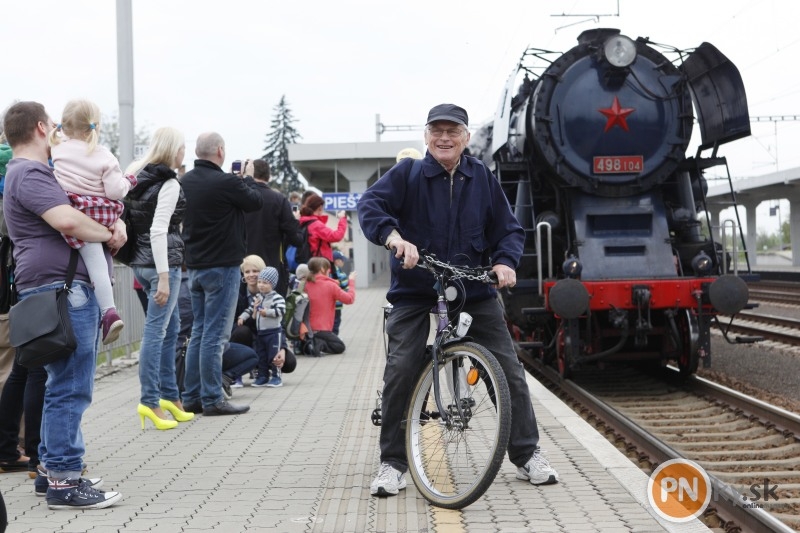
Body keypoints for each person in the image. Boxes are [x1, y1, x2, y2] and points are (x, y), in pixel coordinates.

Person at [357, 103, 559, 497]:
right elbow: (370, 205)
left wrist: (505, 262)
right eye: (437, 131)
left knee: (508, 369)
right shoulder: (408, 174)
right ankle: (393, 463)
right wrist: (394, 238)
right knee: (401, 367)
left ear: (465, 138)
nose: (444, 138)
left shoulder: (481, 176)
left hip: (472, 288)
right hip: (415, 289)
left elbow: (508, 229)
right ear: (426, 136)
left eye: (453, 131)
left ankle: (527, 453)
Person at [3, 101, 123, 508]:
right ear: (41, 127)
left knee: (61, 383)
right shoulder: (30, 172)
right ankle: (65, 482)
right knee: (70, 386)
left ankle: (52, 472)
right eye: (52, 124)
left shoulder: (35, 172)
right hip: (63, 288)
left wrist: (113, 223)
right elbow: (68, 220)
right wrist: (109, 233)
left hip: (60, 286)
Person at [180, 131, 262, 416]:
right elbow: (254, 202)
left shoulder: (184, 182)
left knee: (199, 333)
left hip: (195, 267)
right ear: (220, 151)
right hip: (223, 267)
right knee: (215, 337)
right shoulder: (227, 182)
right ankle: (213, 398)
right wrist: (247, 178)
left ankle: (191, 397)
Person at [49, 99, 136, 345]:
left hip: (73, 210)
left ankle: (108, 310)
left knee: (94, 257)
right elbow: (115, 191)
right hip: (101, 213)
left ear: (64, 124)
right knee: (100, 260)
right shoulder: (103, 155)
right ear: (95, 125)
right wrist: (129, 181)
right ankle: (108, 308)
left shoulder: (55, 150)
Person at [124, 126, 193, 430]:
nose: (184, 153)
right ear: (173, 149)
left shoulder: (135, 173)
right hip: (162, 265)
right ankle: (150, 401)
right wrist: (164, 277)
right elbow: (158, 230)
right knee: (156, 332)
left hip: (138, 262)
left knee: (172, 327)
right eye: (182, 147)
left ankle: (170, 397)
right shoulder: (169, 183)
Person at [242, 159, 303, 297]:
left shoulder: (239, 197)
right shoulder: (279, 199)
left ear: (249, 173)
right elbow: (296, 239)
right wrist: (296, 221)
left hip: (243, 268)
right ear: (268, 176)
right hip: (271, 270)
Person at [236, 267, 285, 388]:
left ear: (272, 284)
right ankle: (263, 376)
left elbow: (281, 310)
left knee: (273, 356)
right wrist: (242, 317)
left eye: (265, 283)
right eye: (259, 282)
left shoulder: (277, 297)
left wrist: (267, 312)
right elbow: (249, 309)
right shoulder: (258, 297)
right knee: (261, 356)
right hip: (261, 333)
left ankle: (276, 377)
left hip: (273, 333)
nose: (261, 285)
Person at [304, 257, 356, 355]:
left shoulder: (306, 284)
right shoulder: (330, 285)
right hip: (322, 329)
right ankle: (318, 345)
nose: (329, 271)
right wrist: (351, 281)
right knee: (339, 346)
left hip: (306, 328)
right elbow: (349, 299)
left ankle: (309, 343)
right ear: (322, 269)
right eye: (328, 268)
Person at [298, 193, 348, 263]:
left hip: (309, 261)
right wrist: (342, 219)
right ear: (319, 208)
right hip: (319, 264)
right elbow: (336, 236)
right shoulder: (316, 225)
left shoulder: (304, 222)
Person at [331, 250, 349, 335]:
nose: (343, 262)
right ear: (337, 261)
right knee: (336, 322)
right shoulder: (341, 274)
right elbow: (346, 290)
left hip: (327, 305)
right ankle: (334, 338)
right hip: (337, 305)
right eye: (342, 260)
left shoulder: (326, 272)